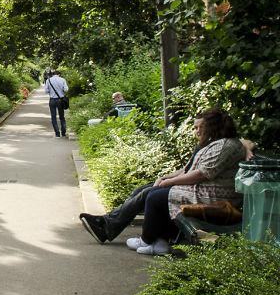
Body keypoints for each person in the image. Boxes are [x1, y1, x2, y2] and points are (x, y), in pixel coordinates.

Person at [79, 108, 252, 253]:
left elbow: (200, 174)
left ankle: (143, 238)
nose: (196, 131)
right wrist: (165, 178)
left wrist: (168, 183)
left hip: (212, 198)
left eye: (199, 127)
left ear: (212, 127)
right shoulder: (213, 144)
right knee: (142, 190)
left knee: (153, 195)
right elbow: (189, 170)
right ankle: (110, 224)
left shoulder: (223, 146)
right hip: (203, 190)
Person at [44, 70, 68, 137]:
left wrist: (51, 91)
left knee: (53, 117)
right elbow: (66, 89)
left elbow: (46, 91)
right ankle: (63, 132)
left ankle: (57, 133)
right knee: (62, 117)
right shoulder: (62, 80)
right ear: (59, 74)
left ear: (53, 74)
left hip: (52, 100)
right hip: (60, 100)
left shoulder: (48, 80)